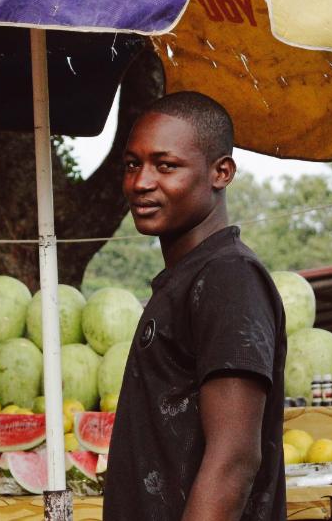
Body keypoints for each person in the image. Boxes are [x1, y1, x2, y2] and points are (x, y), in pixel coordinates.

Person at [103, 91, 287, 521]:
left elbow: (234, 460)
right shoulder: (188, 277)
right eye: (133, 165)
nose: (141, 182)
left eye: (165, 166)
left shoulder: (229, 278)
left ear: (221, 172)